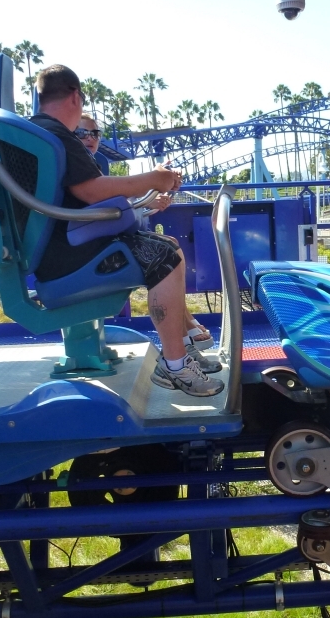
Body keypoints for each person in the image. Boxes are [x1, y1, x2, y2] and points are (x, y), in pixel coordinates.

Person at [32, 65, 222, 397]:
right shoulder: (57, 135)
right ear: (75, 95)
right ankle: (175, 365)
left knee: (164, 246)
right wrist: (152, 179)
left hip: (59, 247)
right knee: (165, 257)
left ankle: (181, 341)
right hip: (68, 256)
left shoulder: (39, 133)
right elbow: (90, 191)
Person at [75, 113, 213, 350]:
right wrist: (151, 184)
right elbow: (99, 204)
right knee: (164, 253)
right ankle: (176, 354)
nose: (90, 138)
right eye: (81, 133)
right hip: (89, 252)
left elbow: (113, 207)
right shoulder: (79, 169)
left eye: (95, 133)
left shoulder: (93, 167)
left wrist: (147, 201)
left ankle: (183, 328)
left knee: (168, 243)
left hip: (103, 241)